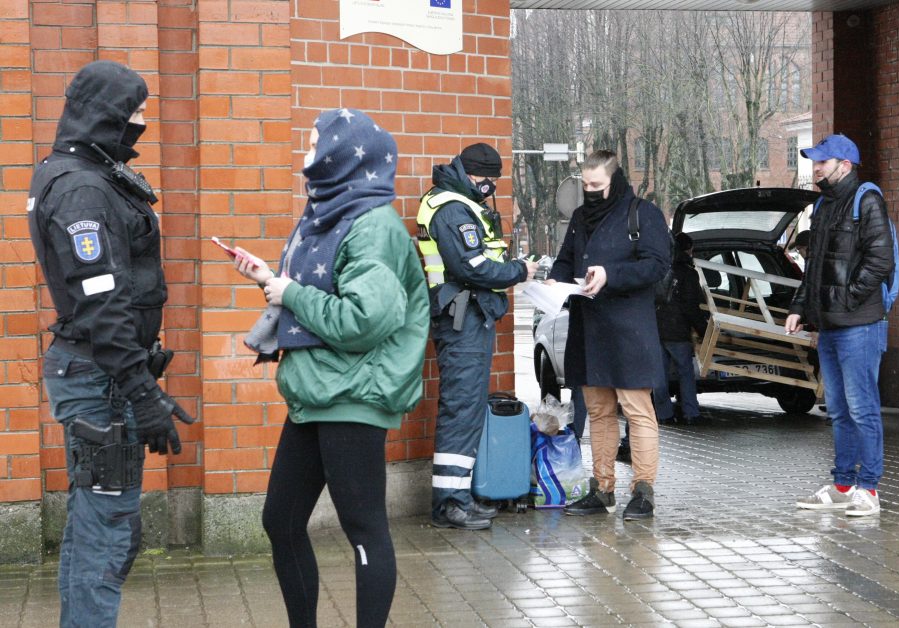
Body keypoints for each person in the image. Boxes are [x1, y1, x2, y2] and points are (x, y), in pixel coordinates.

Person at [234, 108, 429, 626]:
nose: (305, 152)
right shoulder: (328, 213)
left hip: (354, 394)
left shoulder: (373, 225)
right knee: (281, 521)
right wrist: (268, 280)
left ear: (342, 155)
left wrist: (290, 293)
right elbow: (323, 292)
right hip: (316, 391)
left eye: (314, 142)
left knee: (364, 529)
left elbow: (366, 320)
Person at [27, 60, 194, 627]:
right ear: (107, 114)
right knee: (108, 531)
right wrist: (140, 390)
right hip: (99, 376)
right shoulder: (80, 189)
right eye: (136, 112)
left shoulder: (89, 174)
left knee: (99, 524)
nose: (142, 122)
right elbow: (102, 303)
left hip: (105, 373)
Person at [416, 143, 538, 530]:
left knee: (466, 410)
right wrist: (521, 271)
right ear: (473, 174)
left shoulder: (457, 202)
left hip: (468, 315)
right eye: (489, 180)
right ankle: (449, 504)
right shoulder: (453, 208)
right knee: (461, 409)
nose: (491, 187)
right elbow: (474, 267)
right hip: (461, 316)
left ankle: (459, 497)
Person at [546, 150, 672, 521]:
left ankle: (643, 491)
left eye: (597, 185)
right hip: (589, 328)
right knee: (599, 411)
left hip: (630, 328)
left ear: (614, 181)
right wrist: (556, 277)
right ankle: (603, 490)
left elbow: (656, 265)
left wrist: (610, 275)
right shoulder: (582, 217)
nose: (589, 191)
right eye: (585, 185)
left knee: (637, 410)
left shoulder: (641, 213)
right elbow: (566, 258)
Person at [787, 134, 894, 517]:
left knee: (862, 408)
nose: (815, 168)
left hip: (859, 325)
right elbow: (813, 268)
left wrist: (844, 300)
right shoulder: (823, 205)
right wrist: (802, 307)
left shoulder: (867, 200)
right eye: (814, 161)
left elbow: (880, 262)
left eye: (822, 162)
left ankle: (869, 490)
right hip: (830, 325)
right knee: (838, 409)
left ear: (844, 165)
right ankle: (843, 483)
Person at [653, 232, 709, 425]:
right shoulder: (688, 273)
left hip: (657, 329)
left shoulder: (659, 270)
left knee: (659, 377)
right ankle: (691, 414)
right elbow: (691, 306)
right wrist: (703, 331)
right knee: (686, 374)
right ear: (688, 249)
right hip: (678, 331)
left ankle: (664, 415)